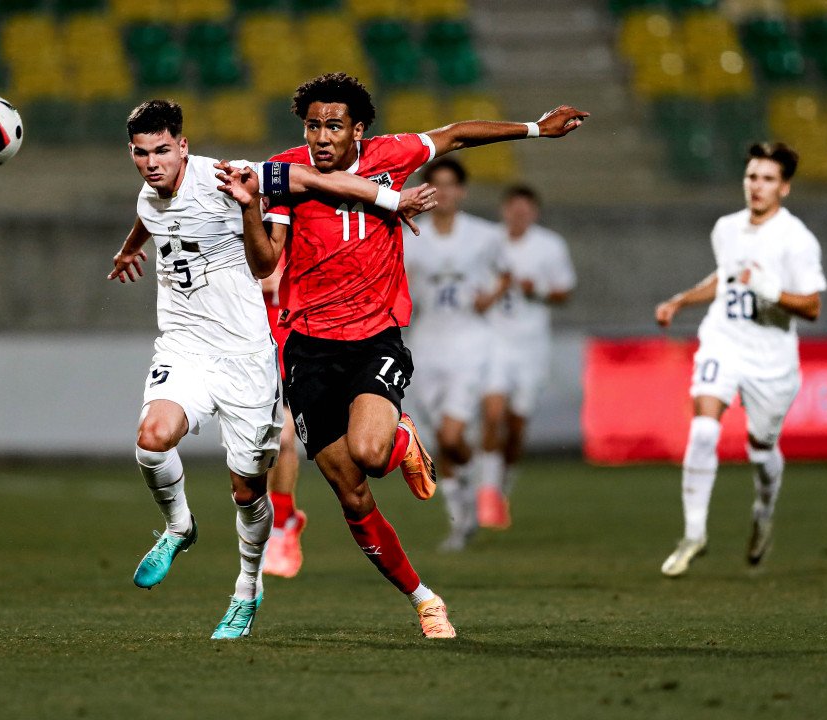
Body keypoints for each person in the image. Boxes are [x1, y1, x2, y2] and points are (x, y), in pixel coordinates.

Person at [217, 72, 588, 637]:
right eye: (313, 126)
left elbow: (457, 134)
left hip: (375, 337)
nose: (321, 137)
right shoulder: (285, 172)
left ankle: (399, 437)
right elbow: (265, 262)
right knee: (351, 494)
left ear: (358, 130)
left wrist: (537, 128)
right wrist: (249, 207)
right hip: (309, 346)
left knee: (370, 452)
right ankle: (424, 599)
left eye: (334, 126)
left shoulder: (392, 156)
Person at [106, 99, 436, 639]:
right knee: (151, 438)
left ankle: (247, 589)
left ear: (183, 146)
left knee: (247, 491)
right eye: (141, 153)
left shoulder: (231, 176)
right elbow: (152, 216)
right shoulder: (150, 191)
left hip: (247, 357)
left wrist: (390, 198)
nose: (151, 162)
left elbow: (316, 180)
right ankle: (179, 526)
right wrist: (127, 251)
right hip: (184, 347)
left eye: (162, 150)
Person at [653, 142, 827, 578]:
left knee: (761, 450)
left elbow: (812, 306)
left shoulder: (797, 239)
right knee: (704, 428)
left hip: (771, 359)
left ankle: (763, 513)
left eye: (768, 179)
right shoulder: (727, 228)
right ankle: (694, 534)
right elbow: (725, 278)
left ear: (784, 187)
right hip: (723, 341)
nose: (757, 186)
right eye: (752, 176)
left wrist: (772, 291)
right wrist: (681, 300)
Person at [402, 157, 508, 552]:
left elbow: (506, 273)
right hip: (426, 344)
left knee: (451, 434)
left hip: (470, 344)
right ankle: (461, 518)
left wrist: (491, 296)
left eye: (450, 185)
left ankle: (472, 480)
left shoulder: (485, 235)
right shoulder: (409, 235)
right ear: (424, 192)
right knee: (440, 442)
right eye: (436, 185)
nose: (443, 193)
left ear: (461, 191)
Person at [476, 185, 577, 530]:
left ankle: (501, 487)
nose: (519, 216)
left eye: (525, 211)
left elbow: (565, 291)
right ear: (504, 210)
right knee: (492, 414)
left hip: (532, 346)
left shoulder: (550, 245)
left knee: (517, 426)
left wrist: (540, 290)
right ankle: (487, 493)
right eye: (513, 210)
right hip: (494, 342)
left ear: (534, 213)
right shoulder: (486, 242)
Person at [261, 256, 308, 578]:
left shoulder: (301, 243)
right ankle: (285, 516)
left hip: (295, 355)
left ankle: (278, 527)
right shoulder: (244, 239)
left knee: (284, 438)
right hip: (254, 359)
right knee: (259, 450)